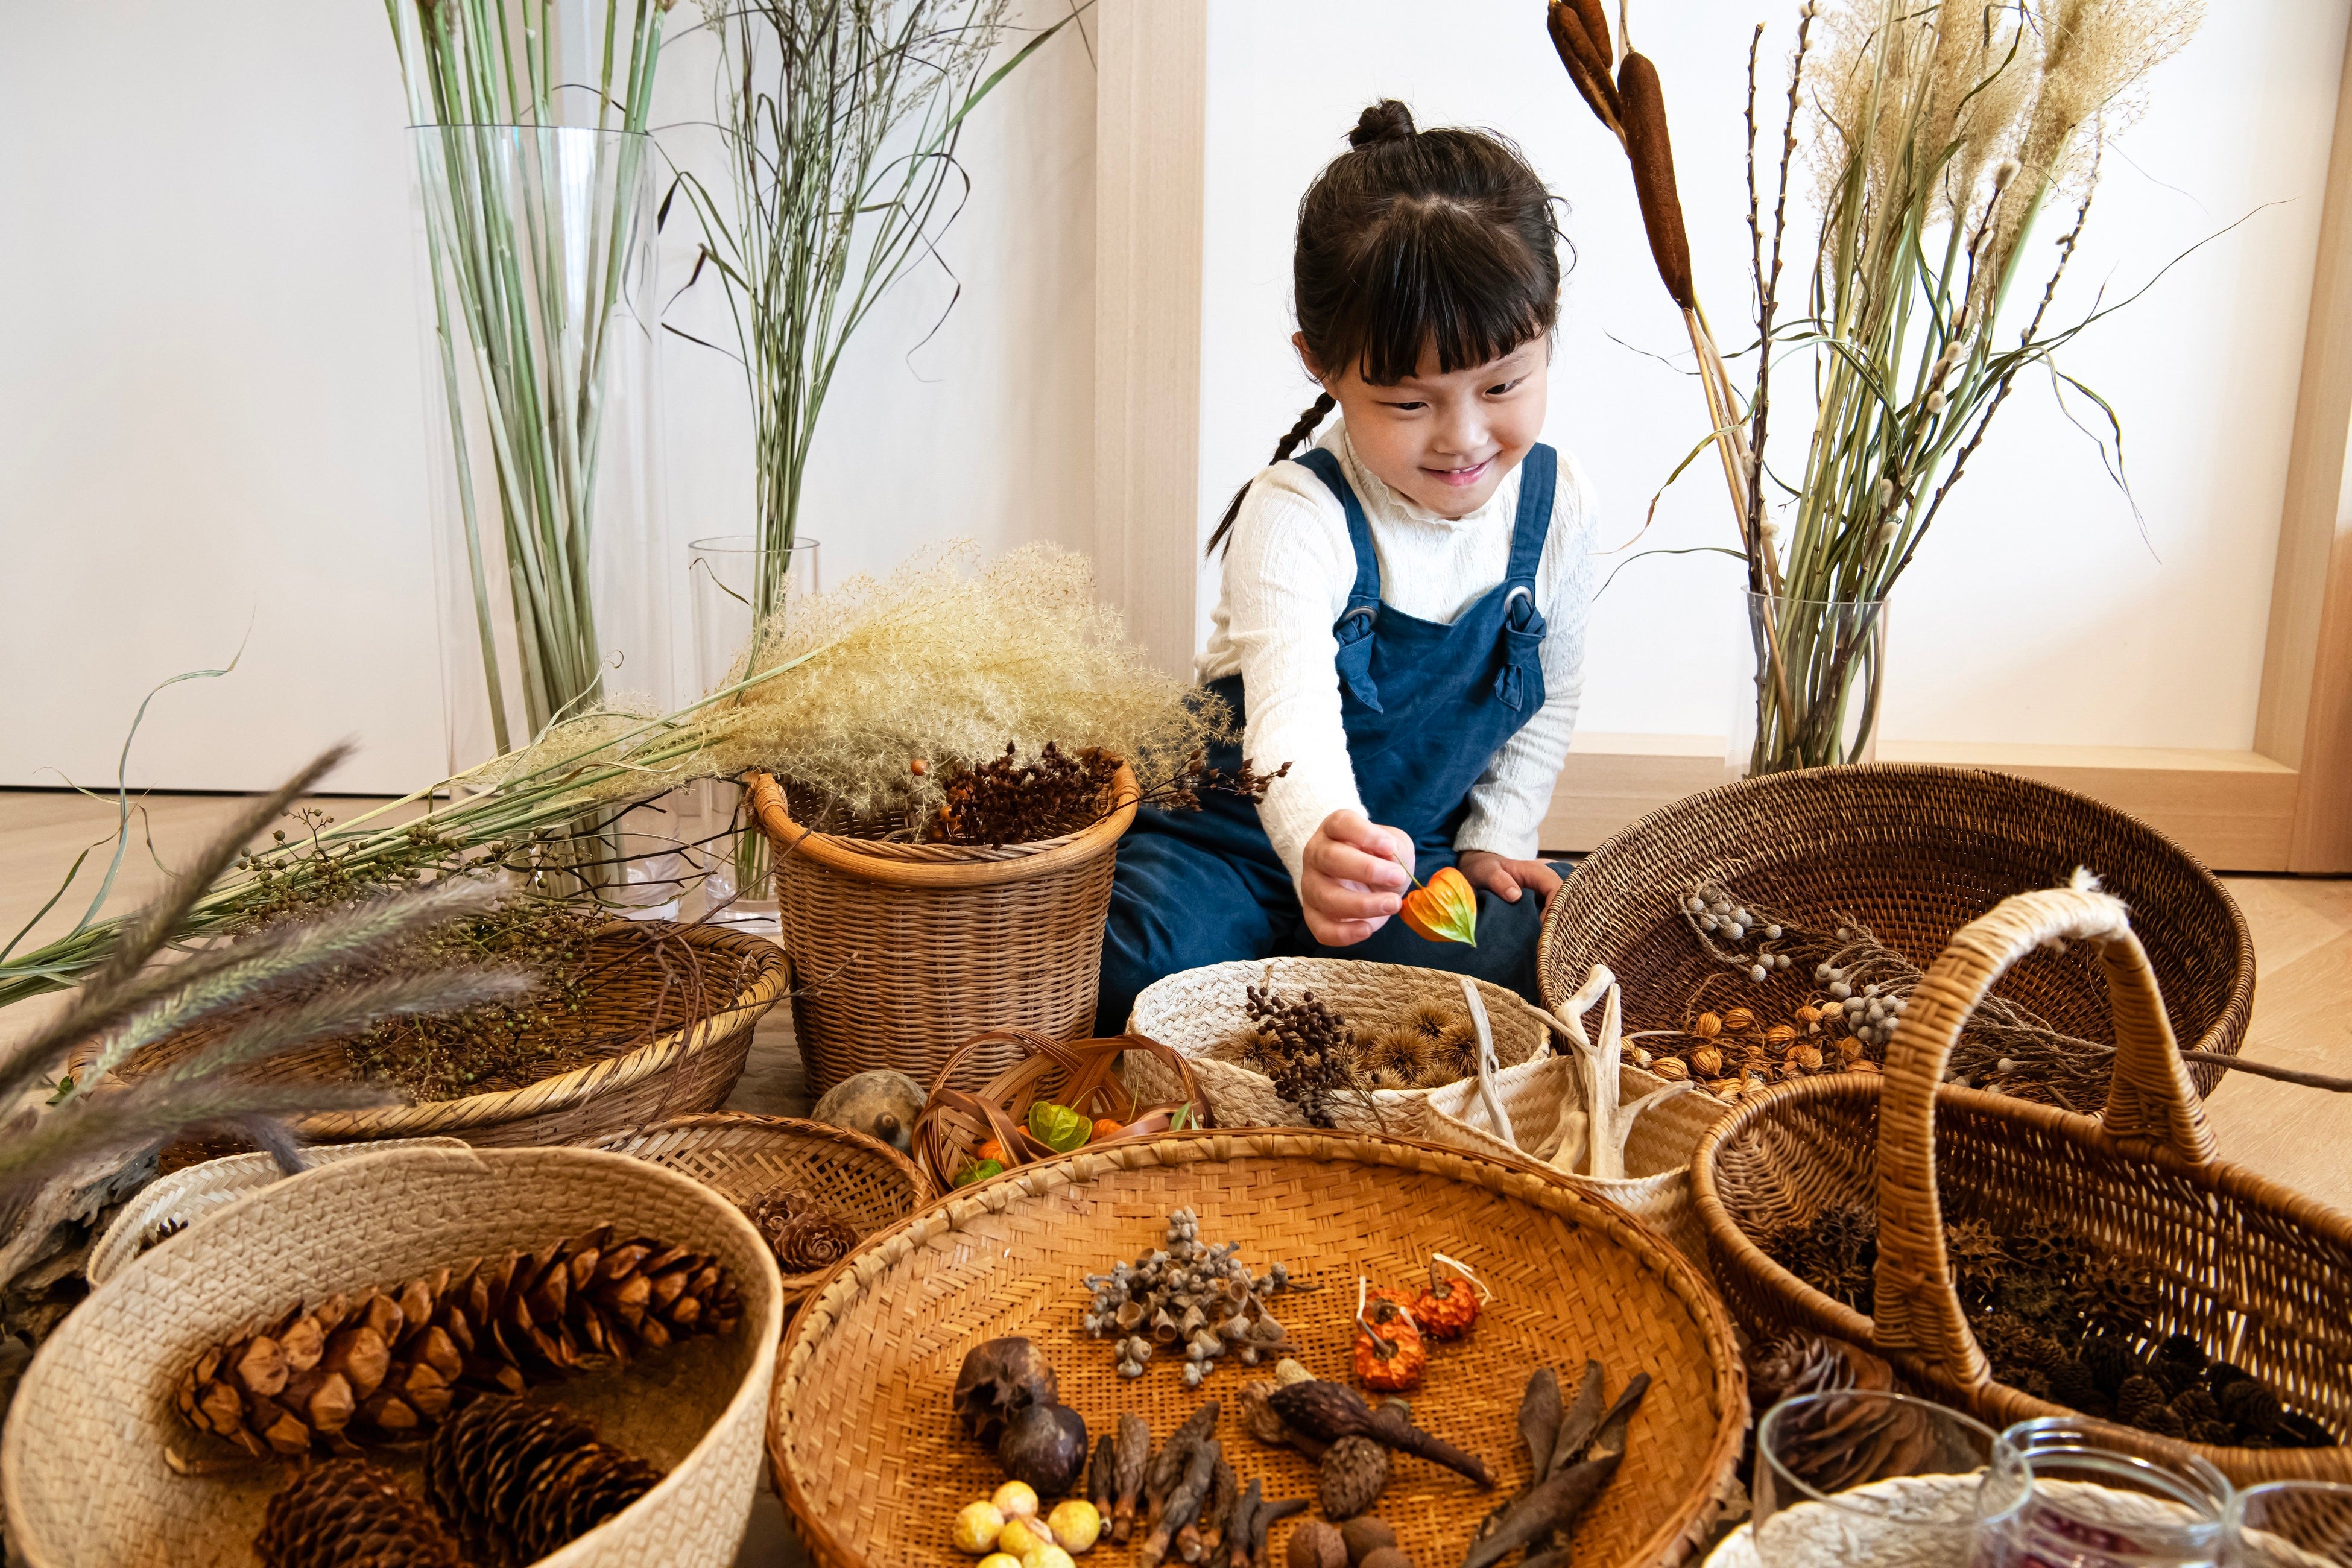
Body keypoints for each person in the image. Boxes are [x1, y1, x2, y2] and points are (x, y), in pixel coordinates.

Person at [1096, 98, 1596, 1034]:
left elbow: (1548, 699)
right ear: (1322, 366)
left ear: (1547, 334)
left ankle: (1293, 988)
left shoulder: (1557, 505)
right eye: (1409, 403)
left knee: (1539, 947)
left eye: (1502, 384)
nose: (1464, 437)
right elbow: (1290, 724)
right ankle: (1277, 973)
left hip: (1401, 858)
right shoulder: (1297, 513)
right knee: (1132, 963)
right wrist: (1317, 841)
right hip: (1229, 843)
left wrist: (1496, 840)